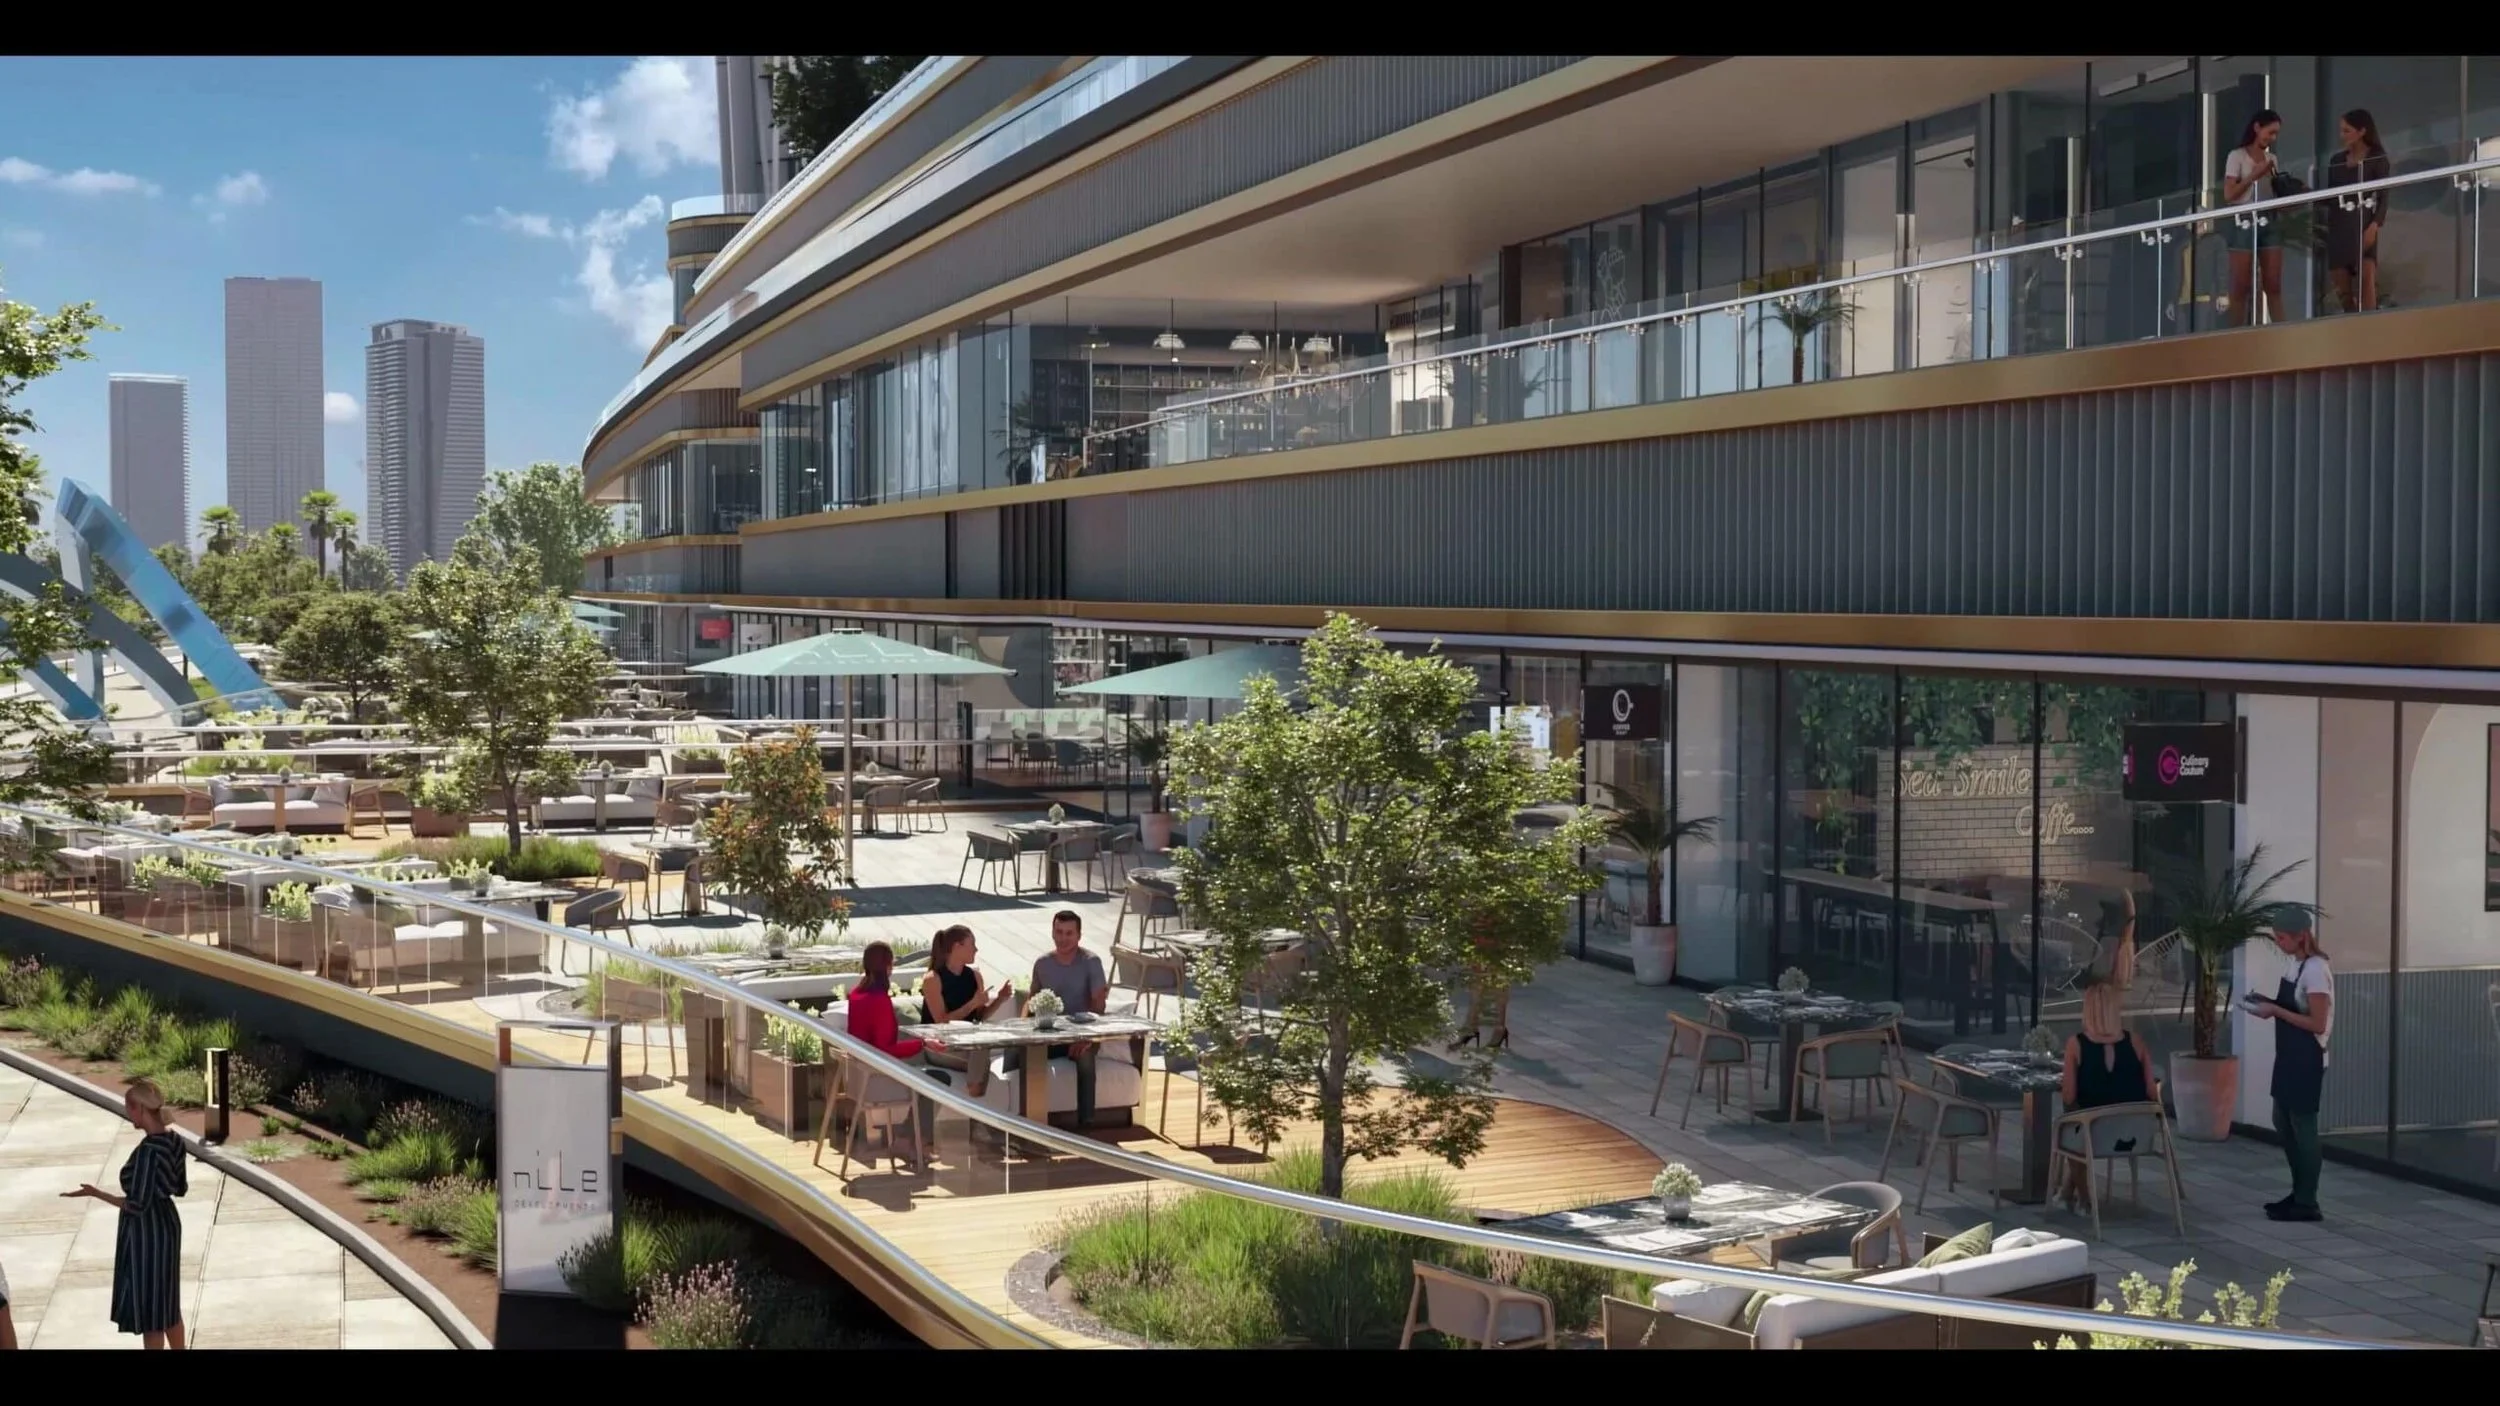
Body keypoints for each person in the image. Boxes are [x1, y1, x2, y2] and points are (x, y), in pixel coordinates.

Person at [60, 1078, 187, 1348]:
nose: (128, 1114)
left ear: (139, 1109)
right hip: (168, 1223)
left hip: (147, 1232)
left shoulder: (147, 1152)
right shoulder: (175, 1141)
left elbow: (136, 1205)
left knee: (152, 1310)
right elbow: (180, 1187)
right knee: (168, 1303)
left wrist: (96, 1193)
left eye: (129, 1109)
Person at [2246, 905, 2332, 1222]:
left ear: (2300, 937)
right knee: (2282, 1120)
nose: (2278, 942)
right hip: (2289, 1055)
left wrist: (2275, 1011)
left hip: (2307, 1057)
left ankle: (2308, 1200)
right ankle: (2298, 1191)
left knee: (2303, 1126)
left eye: (2281, 937)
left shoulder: (2315, 970)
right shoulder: (2295, 965)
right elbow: (2291, 1007)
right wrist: (2267, 1002)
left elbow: (2318, 1023)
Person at [844, 941, 946, 1167]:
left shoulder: (857, 994)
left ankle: (905, 1140)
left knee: (928, 1076)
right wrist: (922, 1045)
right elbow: (885, 1048)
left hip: (861, 1073)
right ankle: (914, 1142)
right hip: (877, 1077)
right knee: (937, 1079)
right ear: (889, 967)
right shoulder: (878, 999)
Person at [1029, 910, 1109, 1128]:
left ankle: (1086, 1124)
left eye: (1069, 933)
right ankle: (1030, 1124)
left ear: (1079, 936)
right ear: (1052, 932)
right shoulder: (1042, 963)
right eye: (1059, 932)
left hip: (1083, 1034)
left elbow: (1099, 1006)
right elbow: (1031, 1003)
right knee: (1024, 1056)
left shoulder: (1091, 962)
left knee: (1085, 1057)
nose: (1063, 938)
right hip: (1051, 1034)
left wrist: (1085, 1038)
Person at [919, 924, 1015, 1098]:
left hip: (968, 1044)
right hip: (940, 1046)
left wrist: (1000, 998)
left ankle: (973, 1104)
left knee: (981, 1048)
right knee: (981, 1052)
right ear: (957, 946)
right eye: (972, 945)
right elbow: (941, 1021)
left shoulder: (974, 976)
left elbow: (980, 1016)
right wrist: (972, 1004)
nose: (976, 949)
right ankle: (975, 1104)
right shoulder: (933, 979)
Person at [2223, 109, 2288, 327]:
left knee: (2273, 284)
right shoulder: (2237, 156)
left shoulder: (2272, 159)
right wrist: (2253, 176)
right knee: (2240, 285)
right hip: (2244, 218)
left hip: (2269, 218)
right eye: (2270, 132)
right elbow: (2229, 194)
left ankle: (2282, 331)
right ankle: (2235, 333)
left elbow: (2275, 190)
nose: (2272, 138)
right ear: (2257, 128)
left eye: (2276, 134)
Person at [2324, 109, 2390, 313]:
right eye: (2341, 130)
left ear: (2361, 131)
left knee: (2366, 275)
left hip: (2363, 221)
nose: (2342, 135)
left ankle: (2369, 326)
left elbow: (2383, 194)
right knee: (2342, 287)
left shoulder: (2376, 157)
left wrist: (2375, 225)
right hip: (2339, 224)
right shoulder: (2336, 160)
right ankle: (2350, 324)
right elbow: (2332, 196)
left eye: (2346, 130)